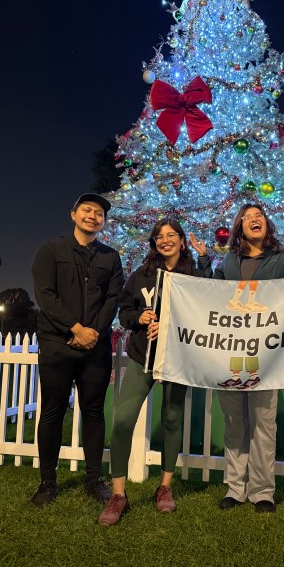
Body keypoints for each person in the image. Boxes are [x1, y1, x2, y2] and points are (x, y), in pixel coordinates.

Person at [98, 219, 211, 525]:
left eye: (171, 235)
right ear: (154, 243)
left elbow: (206, 312)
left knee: (172, 418)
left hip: (177, 358)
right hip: (141, 357)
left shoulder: (193, 275)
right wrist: (140, 316)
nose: (165, 240)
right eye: (159, 236)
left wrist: (170, 324)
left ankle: (164, 487)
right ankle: (119, 494)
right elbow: (125, 312)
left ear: (182, 241)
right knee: (122, 420)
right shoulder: (142, 275)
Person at [30, 193, 124, 507]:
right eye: (87, 210)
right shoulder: (50, 250)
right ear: (73, 214)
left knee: (94, 412)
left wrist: (92, 332)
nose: (93, 216)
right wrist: (74, 328)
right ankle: (47, 482)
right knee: (52, 411)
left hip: (94, 346)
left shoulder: (110, 257)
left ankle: (94, 479)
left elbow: (112, 298)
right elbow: (45, 295)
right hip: (58, 343)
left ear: (103, 221)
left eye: (99, 213)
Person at [213, 203, 284, 514]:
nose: (255, 220)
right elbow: (212, 298)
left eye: (259, 216)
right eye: (248, 217)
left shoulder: (283, 259)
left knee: (264, 423)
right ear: (239, 227)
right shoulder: (229, 261)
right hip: (232, 353)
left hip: (269, 357)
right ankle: (236, 488)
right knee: (235, 422)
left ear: (267, 224)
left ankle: (263, 491)